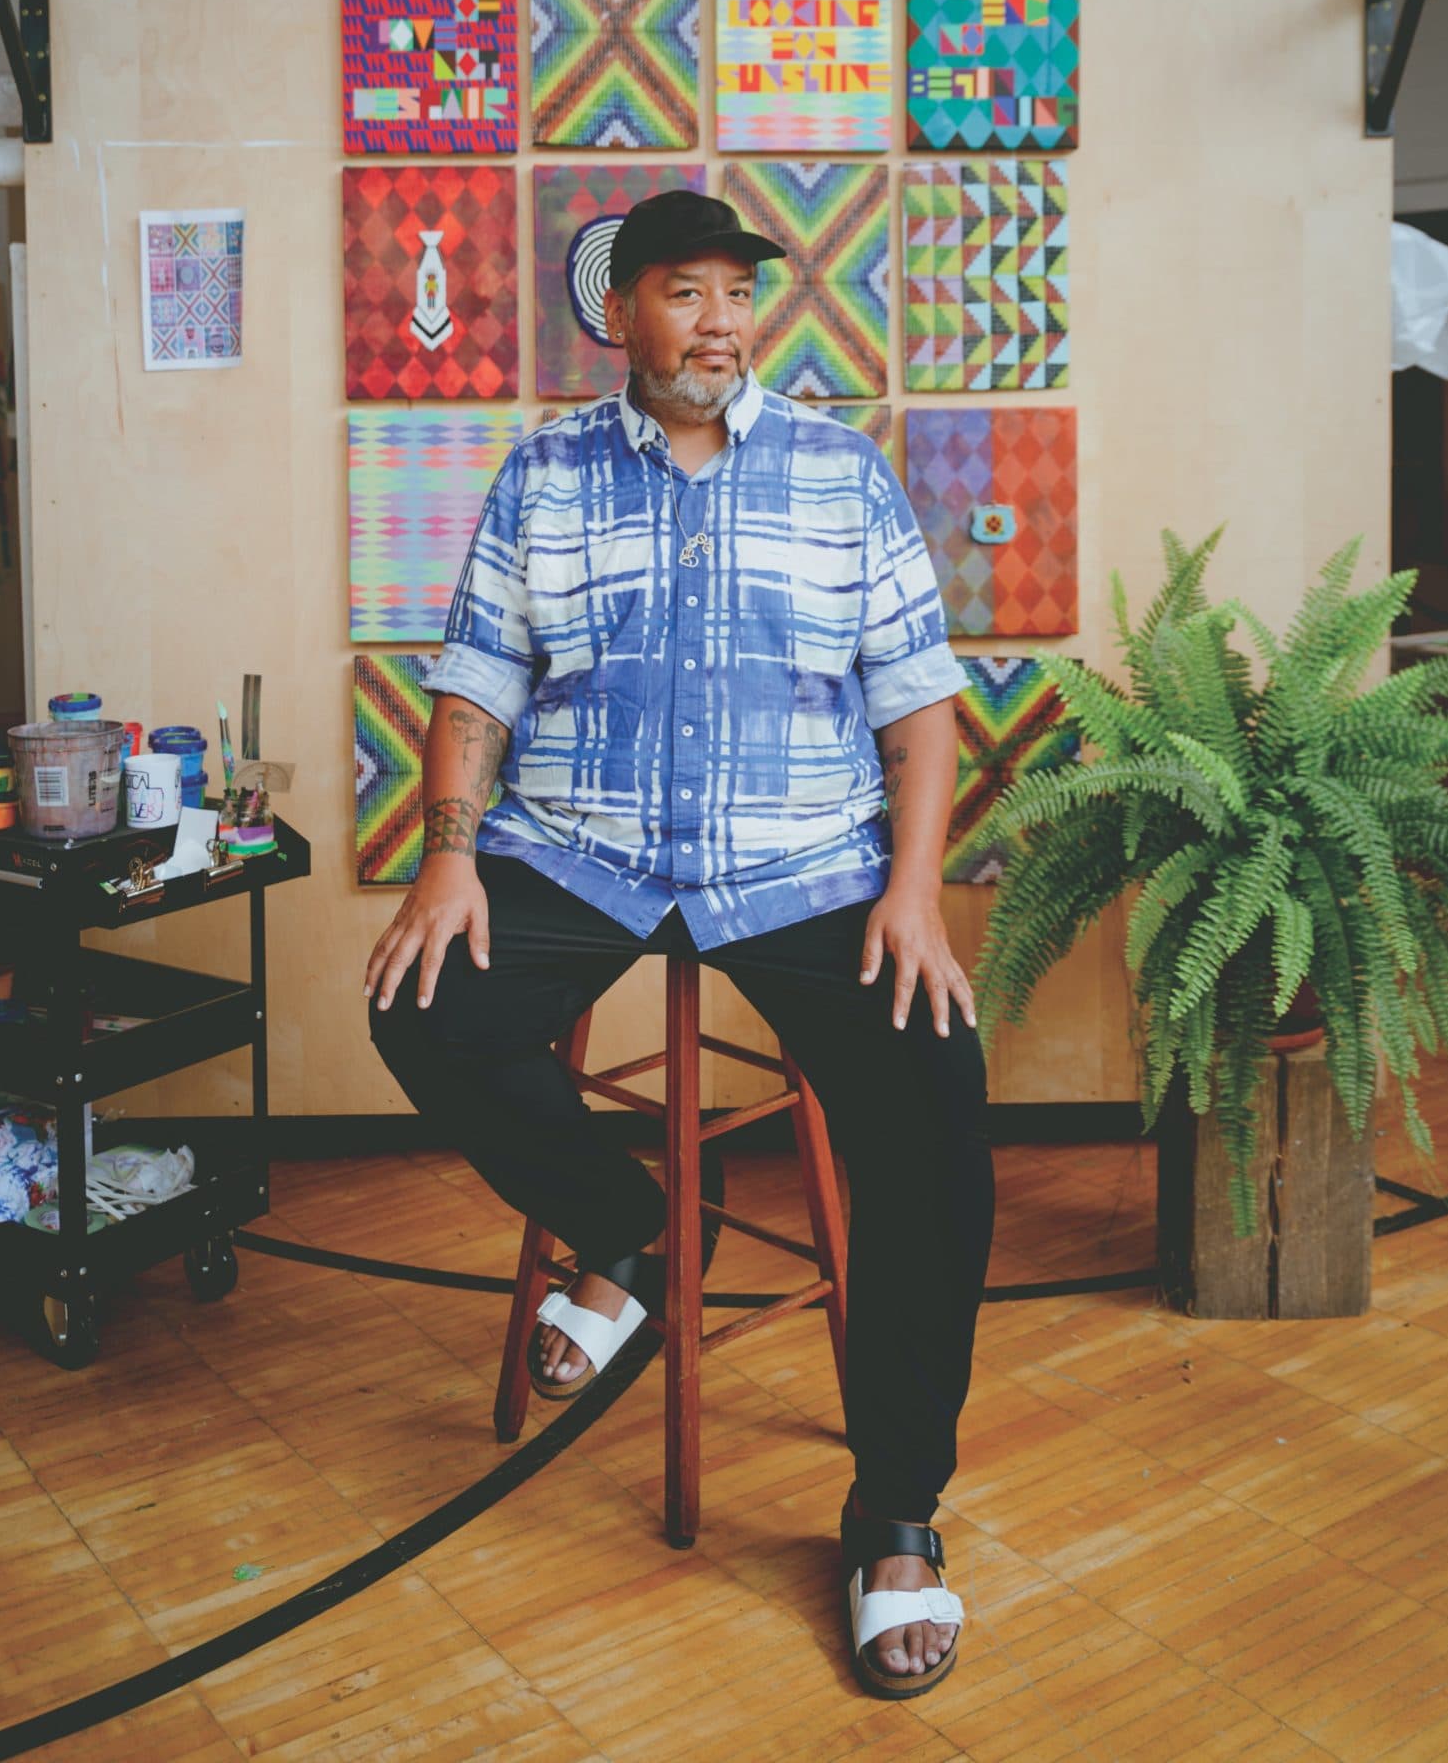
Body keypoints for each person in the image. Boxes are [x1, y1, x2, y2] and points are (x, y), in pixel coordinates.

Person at [366, 188, 995, 1697]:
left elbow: (919, 710)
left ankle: (896, 1512)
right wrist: (448, 858)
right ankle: (646, 1232)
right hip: (578, 852)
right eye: (683, 291)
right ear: (621, 313)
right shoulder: (546, 476)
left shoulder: (846, 477)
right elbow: (476, 686)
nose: (717, 318)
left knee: (936, 1109)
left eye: (735, 292)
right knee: (420, 1004)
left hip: (805, 866)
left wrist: (909, 894)